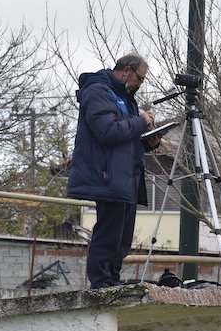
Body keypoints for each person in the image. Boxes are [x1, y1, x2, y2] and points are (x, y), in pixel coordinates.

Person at [66, 53, 162, 288]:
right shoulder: (98, 90)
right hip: (106, 176)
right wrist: (140, 122)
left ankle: (112, 280)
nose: (140, 85)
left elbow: (125, 137)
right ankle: (100, 284)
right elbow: (107, 131)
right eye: (140, 78)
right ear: (127, 71)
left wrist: (149, 139)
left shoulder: (125, 97)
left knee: (122, 239)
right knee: (108, 233)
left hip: (127, 176)